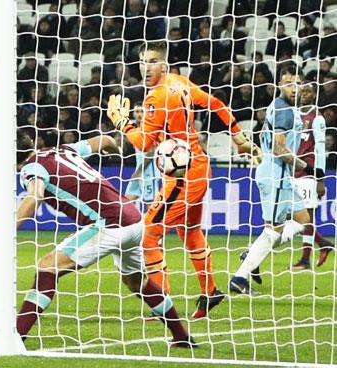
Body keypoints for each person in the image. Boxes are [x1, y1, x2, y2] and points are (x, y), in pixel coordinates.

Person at [0, 131, 196, 351]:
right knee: (138, 283)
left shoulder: (32, 169)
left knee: (47, 267)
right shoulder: (61, 150)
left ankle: (13, 337)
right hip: (134, 221)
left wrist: (2, 232)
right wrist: (117, 153)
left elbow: (35, 196)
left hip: (109, 224)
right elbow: (106, 140)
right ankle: (181, 335)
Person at [107, 41, 261, 319]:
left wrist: (122, 123)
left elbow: (143, 144)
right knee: (189, 231)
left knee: (149, 234)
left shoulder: (156, 98)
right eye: (143, 61)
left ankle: (161, 302)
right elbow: (215, 103)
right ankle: (210, 292)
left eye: (152, 61)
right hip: (197, 167)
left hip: (182, 176)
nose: (146, 67)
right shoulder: (179, 82)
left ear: (164, 64)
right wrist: (238, 136)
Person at [230, 65, 316, 294]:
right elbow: (279, 148)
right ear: (280, 85)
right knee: (274, 230)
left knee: (303, 219)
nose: (294, 88)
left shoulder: (281, 107)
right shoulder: (284, 110)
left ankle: (253, 253)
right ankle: (239, 278)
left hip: (282, 176)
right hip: (275, 176)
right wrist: (306, 167)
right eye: (289, 83)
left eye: (297, 83)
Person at [284, 81, 335, 270]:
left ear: (314, 95)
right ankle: (323, 244)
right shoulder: (294, 114)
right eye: (301, 91)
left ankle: (306, 258)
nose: (303, 94)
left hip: (308, 174)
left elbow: (320, 149)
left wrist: (320, 179)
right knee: (294, 216)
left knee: (305, 216)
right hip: (293, 171)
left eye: (307, 91)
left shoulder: (317, 118)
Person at [124, 103, 161, 207]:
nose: (139, 114)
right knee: (126, 202)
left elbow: (151, 151)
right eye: (137, 111)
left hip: (149, 171)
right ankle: (119, 222)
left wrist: (139, 171)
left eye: (142, 111)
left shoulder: (149, 128)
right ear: (133, 114)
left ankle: (157, 223)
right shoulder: (134, 129)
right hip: (139, 170)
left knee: (151, 205)